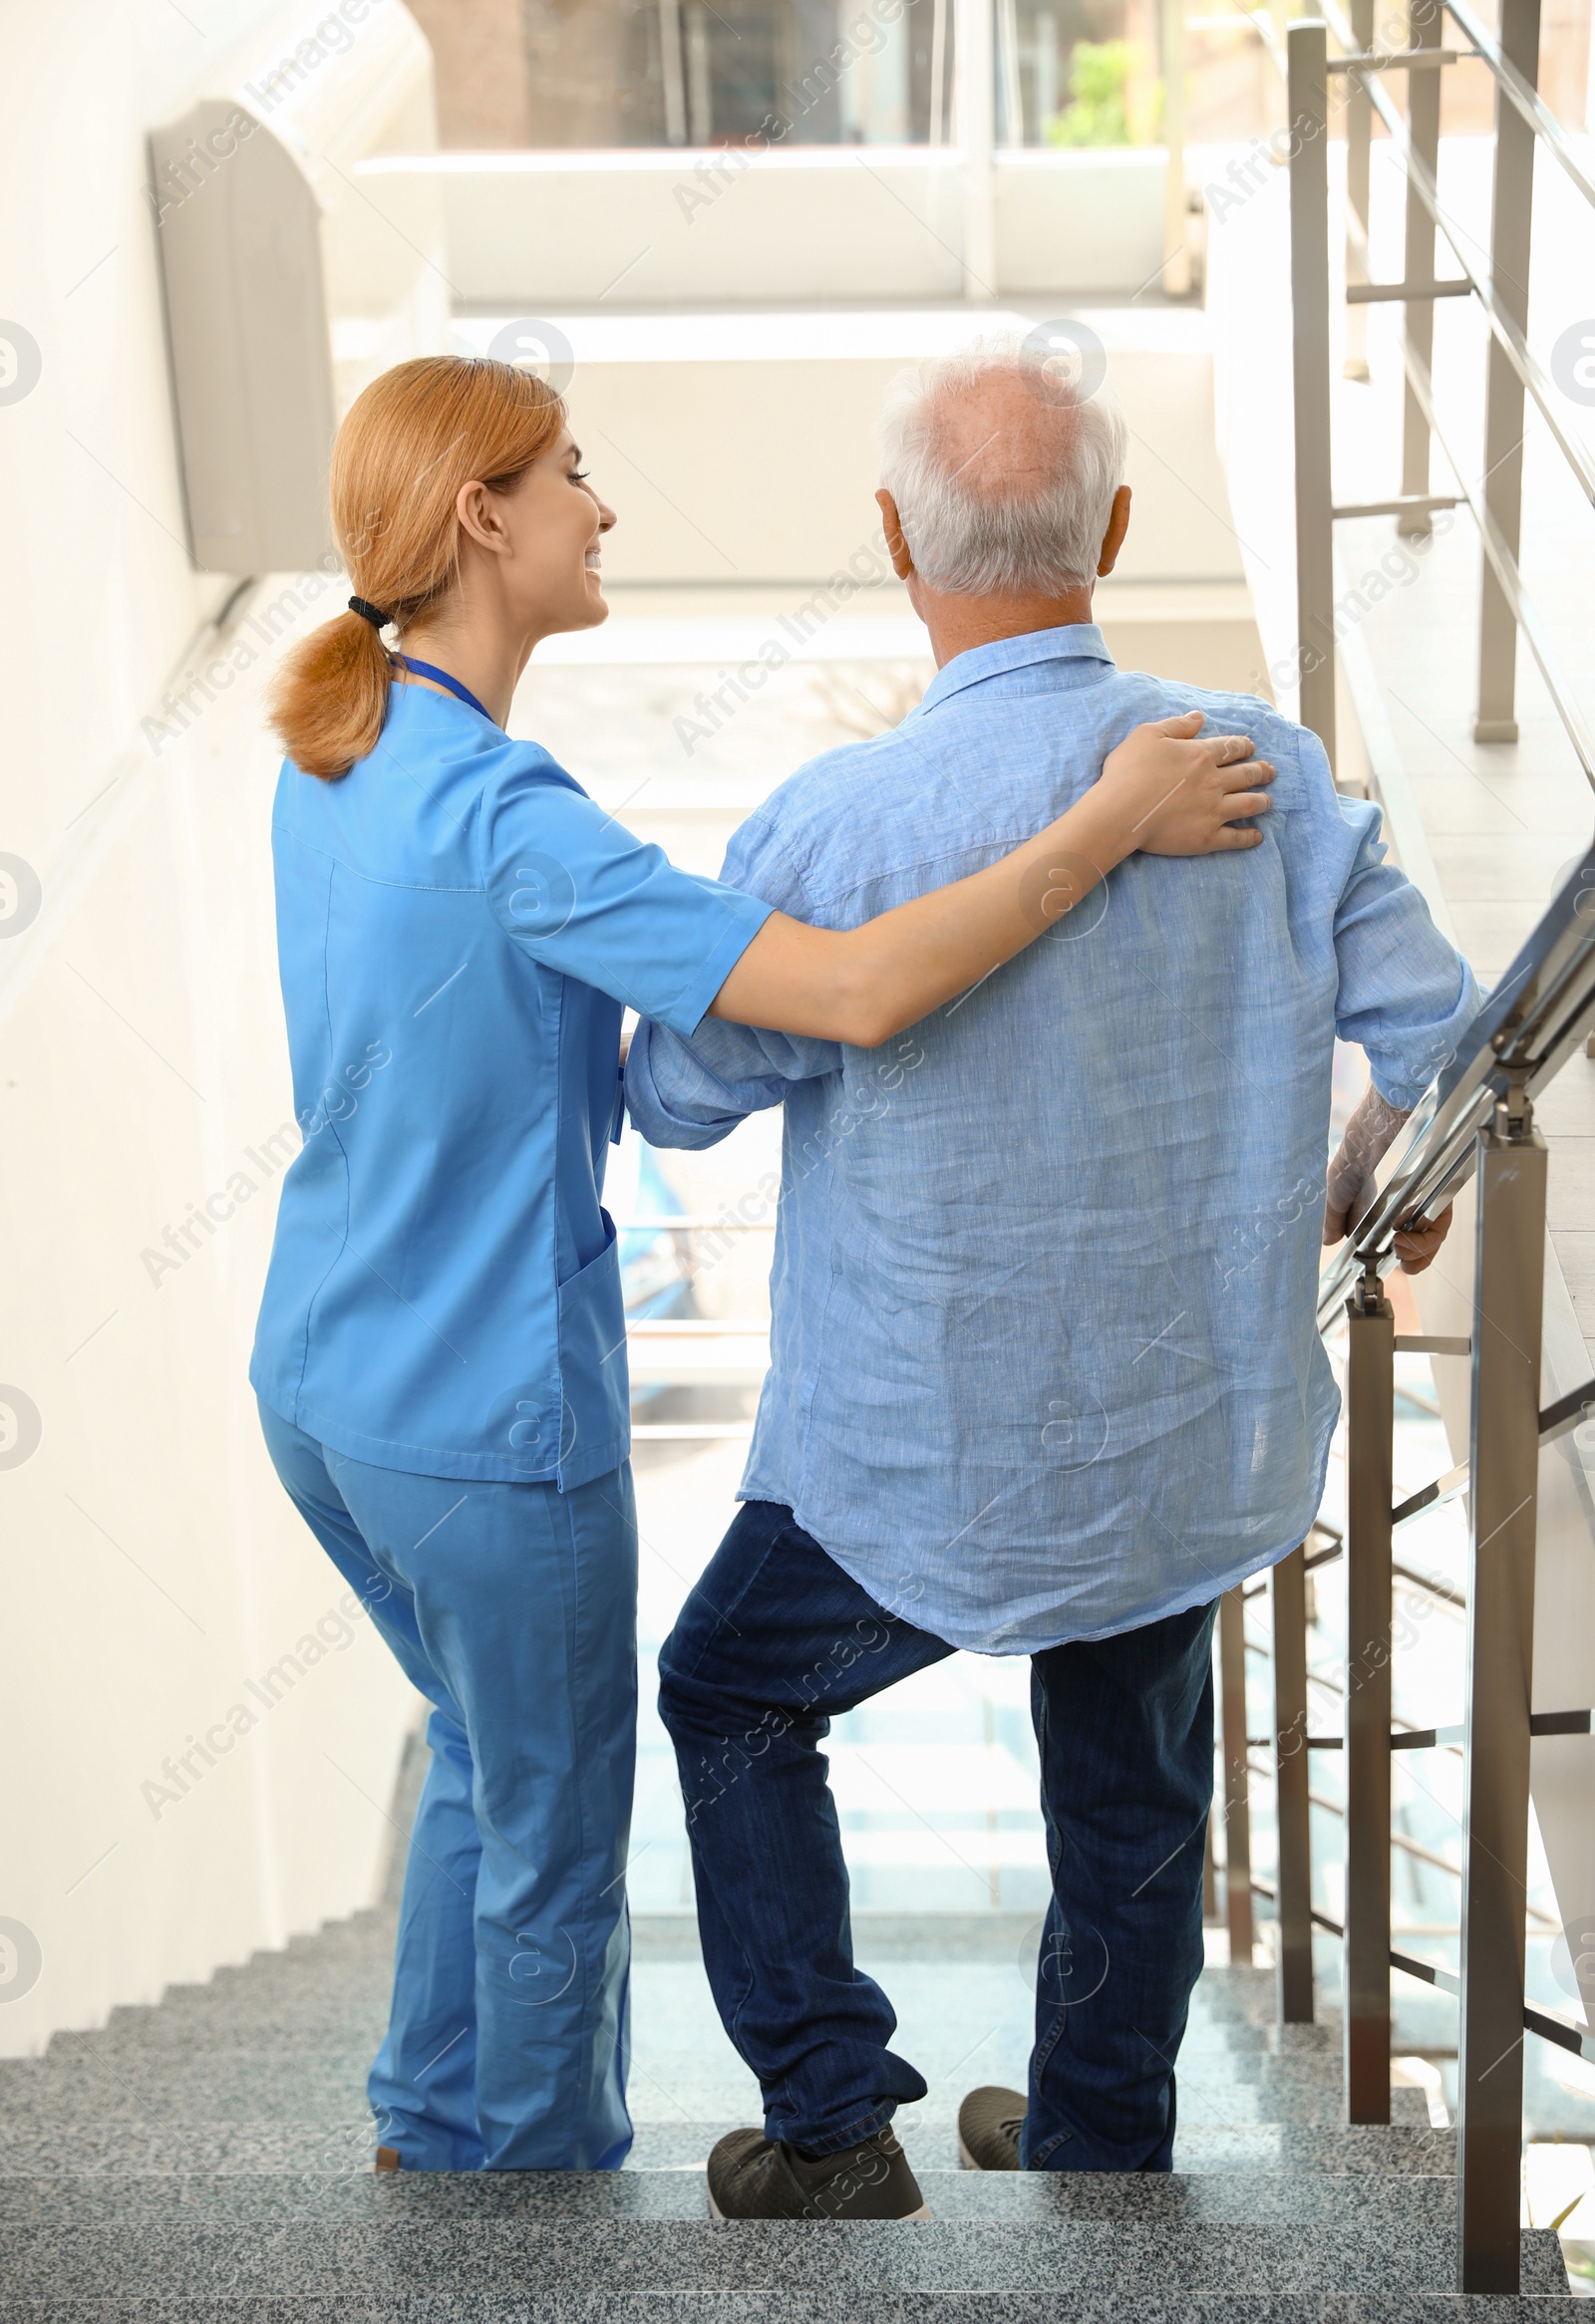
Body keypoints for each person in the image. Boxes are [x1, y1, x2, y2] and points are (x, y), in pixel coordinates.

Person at [247, 353, 1275, 2175]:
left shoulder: (344, 750)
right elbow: (862, 991)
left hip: (325, 1382)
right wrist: (1108, 824)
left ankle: (427, 2126)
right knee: (560, 1831)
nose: (604, 502)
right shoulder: (508, 817)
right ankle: (527, 2194)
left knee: (483, 1758)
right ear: (483, 516)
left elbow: (684, 1078)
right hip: (486, 1416)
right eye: (572, 471)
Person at [627, 337, 1479, 2220]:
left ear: (891, 540)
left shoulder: (833, 827)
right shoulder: (1262, 774)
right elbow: (1445, 1039)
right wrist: (1373, 1175)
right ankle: (1101, 2134)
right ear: (1109, 525)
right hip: (1179, 1441)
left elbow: (679, 1099)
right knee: (1128, 1784)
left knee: (729, 1700)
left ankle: (836, 2120)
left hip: (906, 1470)